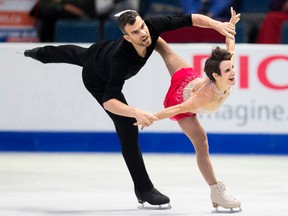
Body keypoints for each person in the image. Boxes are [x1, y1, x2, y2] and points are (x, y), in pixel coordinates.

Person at [24, 10, 236, 207]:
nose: (143, 33)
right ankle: (143, 189)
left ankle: (39, 53)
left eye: (142, 26)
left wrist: (218, 25)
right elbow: (109, 101)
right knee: (126, 124)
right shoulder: (121, 59)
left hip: (100, 50)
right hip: (98, 78)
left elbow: (190, 19)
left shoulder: (151, 28)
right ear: (127, 37)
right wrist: (136, 111)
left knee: (77, 53)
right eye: (135, 32)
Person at [136, 7, 241, 210]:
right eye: (228, 70)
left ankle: (145, 32)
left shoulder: (224, 70)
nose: (233, 72)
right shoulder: (202, 97)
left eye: (232, 68)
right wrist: (151, 117)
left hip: (188, 79)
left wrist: (231, 27)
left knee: (165, 49)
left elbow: (231, 45)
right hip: (180, 100)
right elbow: (177, 109)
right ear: (216, 76)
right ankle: (216, 190)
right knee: (201, 142)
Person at [30, 0, 96, 42]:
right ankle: (47, 43)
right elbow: (45, 5)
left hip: (83, 14)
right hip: (58, 13)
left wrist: (62, 2)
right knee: (49, 13)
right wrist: (64, 6)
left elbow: (85, 5)